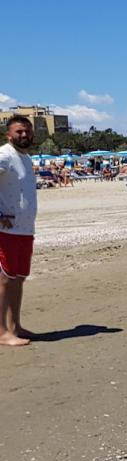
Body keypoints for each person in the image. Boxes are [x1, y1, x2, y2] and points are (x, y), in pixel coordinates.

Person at [0, 117, 38, 347]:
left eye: (27, 131)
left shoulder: (25, 158)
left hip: (24, 229)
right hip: (7, 230)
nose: (24, 135)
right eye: (19, 131)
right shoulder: (4, 155)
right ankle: (2, 331)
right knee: (4, 279)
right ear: (9, 134)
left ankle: (16, 326)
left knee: (19, 278)